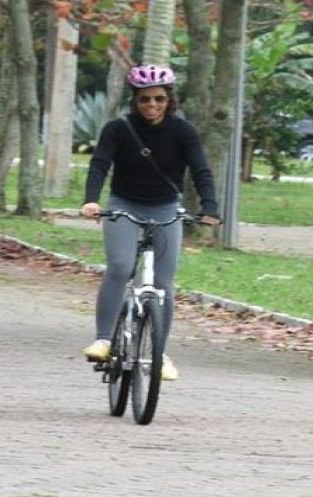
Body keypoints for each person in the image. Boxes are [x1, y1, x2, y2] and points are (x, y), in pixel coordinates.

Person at [80, 64, 220, 381]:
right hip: (124, 206)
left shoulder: (183, 132)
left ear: (170, 99)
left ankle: (160, 352)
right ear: (135, 100)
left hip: (166, 209)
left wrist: (210, 206)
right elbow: (100, 165)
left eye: (159, 99)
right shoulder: (118, 129)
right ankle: (104, 338)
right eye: (145, 99)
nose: (152, 106)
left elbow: (201, 170)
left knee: (163, 285)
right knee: (119, 267)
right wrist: (91, 200)